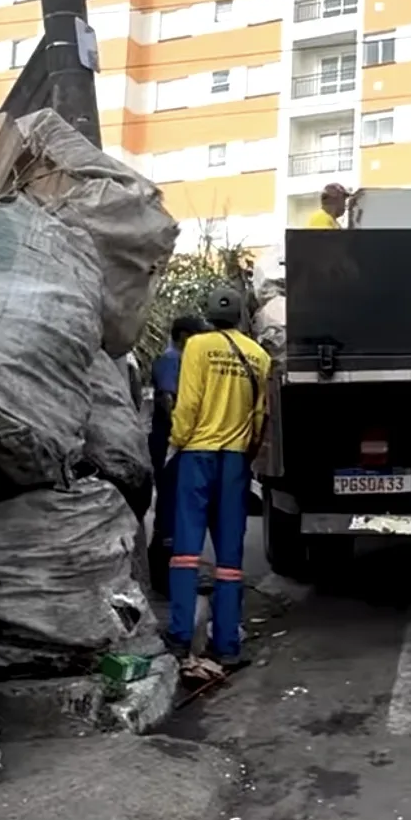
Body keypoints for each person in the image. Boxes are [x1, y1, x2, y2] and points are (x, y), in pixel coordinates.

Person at [164, 286, 270, 678]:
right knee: (229, 558)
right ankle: (227, 645)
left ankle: (179, 637)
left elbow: (188, 402)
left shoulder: (198, 347)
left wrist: (176, 441)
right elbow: (260, 415)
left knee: (186, 550)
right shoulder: (258, 356)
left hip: (197, 455)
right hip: (235, 460)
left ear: (207, 315)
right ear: (243, 315)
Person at [148, 315, 206, 588]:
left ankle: (174, 571)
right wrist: (182, 430)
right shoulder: (171, 360)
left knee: (179, 505)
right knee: (171, 505)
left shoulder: (185, 360)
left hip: (179, 442)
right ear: (184, 335)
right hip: (170, 443)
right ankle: (165, 574)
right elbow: (166, 399)